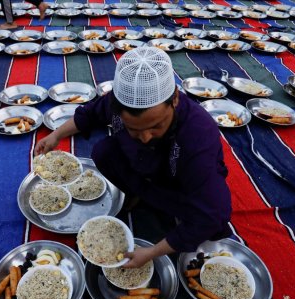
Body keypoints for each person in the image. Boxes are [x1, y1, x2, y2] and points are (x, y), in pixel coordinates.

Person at [35, 47, 232, 268]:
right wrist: (55, 136)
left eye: (156, 126)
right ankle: (139, 192)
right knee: (103, 152)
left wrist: (150, 253)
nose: (146, 137)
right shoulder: (116, 103)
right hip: (143, 166)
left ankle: (156, 202)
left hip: (177, 186)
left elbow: (213, 213)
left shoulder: (198, 136)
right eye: (134, 129)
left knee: (209, 219)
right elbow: (89, 115)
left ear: (175, 98)